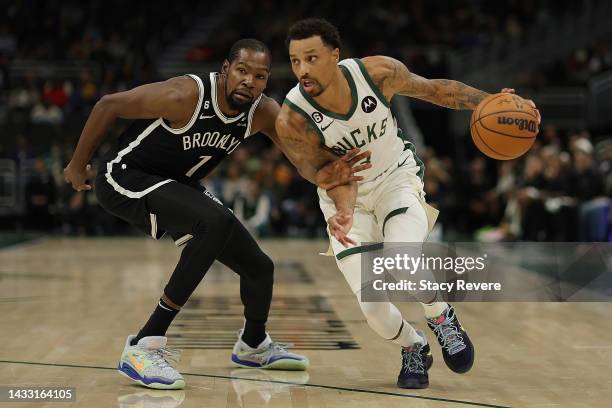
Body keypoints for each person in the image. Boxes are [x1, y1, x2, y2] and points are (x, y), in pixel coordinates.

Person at [64, 38, 369, 390]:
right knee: (215, 221)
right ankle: (144, 344)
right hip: (123, 176)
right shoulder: (185, 95)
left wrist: (328, 169)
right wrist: (76, 166)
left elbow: (301, 159)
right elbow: (108, 105)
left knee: (259, 267)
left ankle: (253, 344)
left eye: (260, 76)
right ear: (225, 70)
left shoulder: (263, 112)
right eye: (242, 71)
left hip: (176, 184)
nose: (249, 82)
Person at [276, 19, 540, 389]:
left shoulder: (378, 73)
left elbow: (435, 91)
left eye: (311, 58)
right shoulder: (293, 119)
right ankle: (413, 346)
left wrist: (492, 102)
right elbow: (327, 175)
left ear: (335, 56)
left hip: (396, 179)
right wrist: (347, 209)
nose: (302, 69)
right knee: (374, 312)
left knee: (403, 259)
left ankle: (440, 315)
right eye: (294, 61)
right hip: (345, 200)